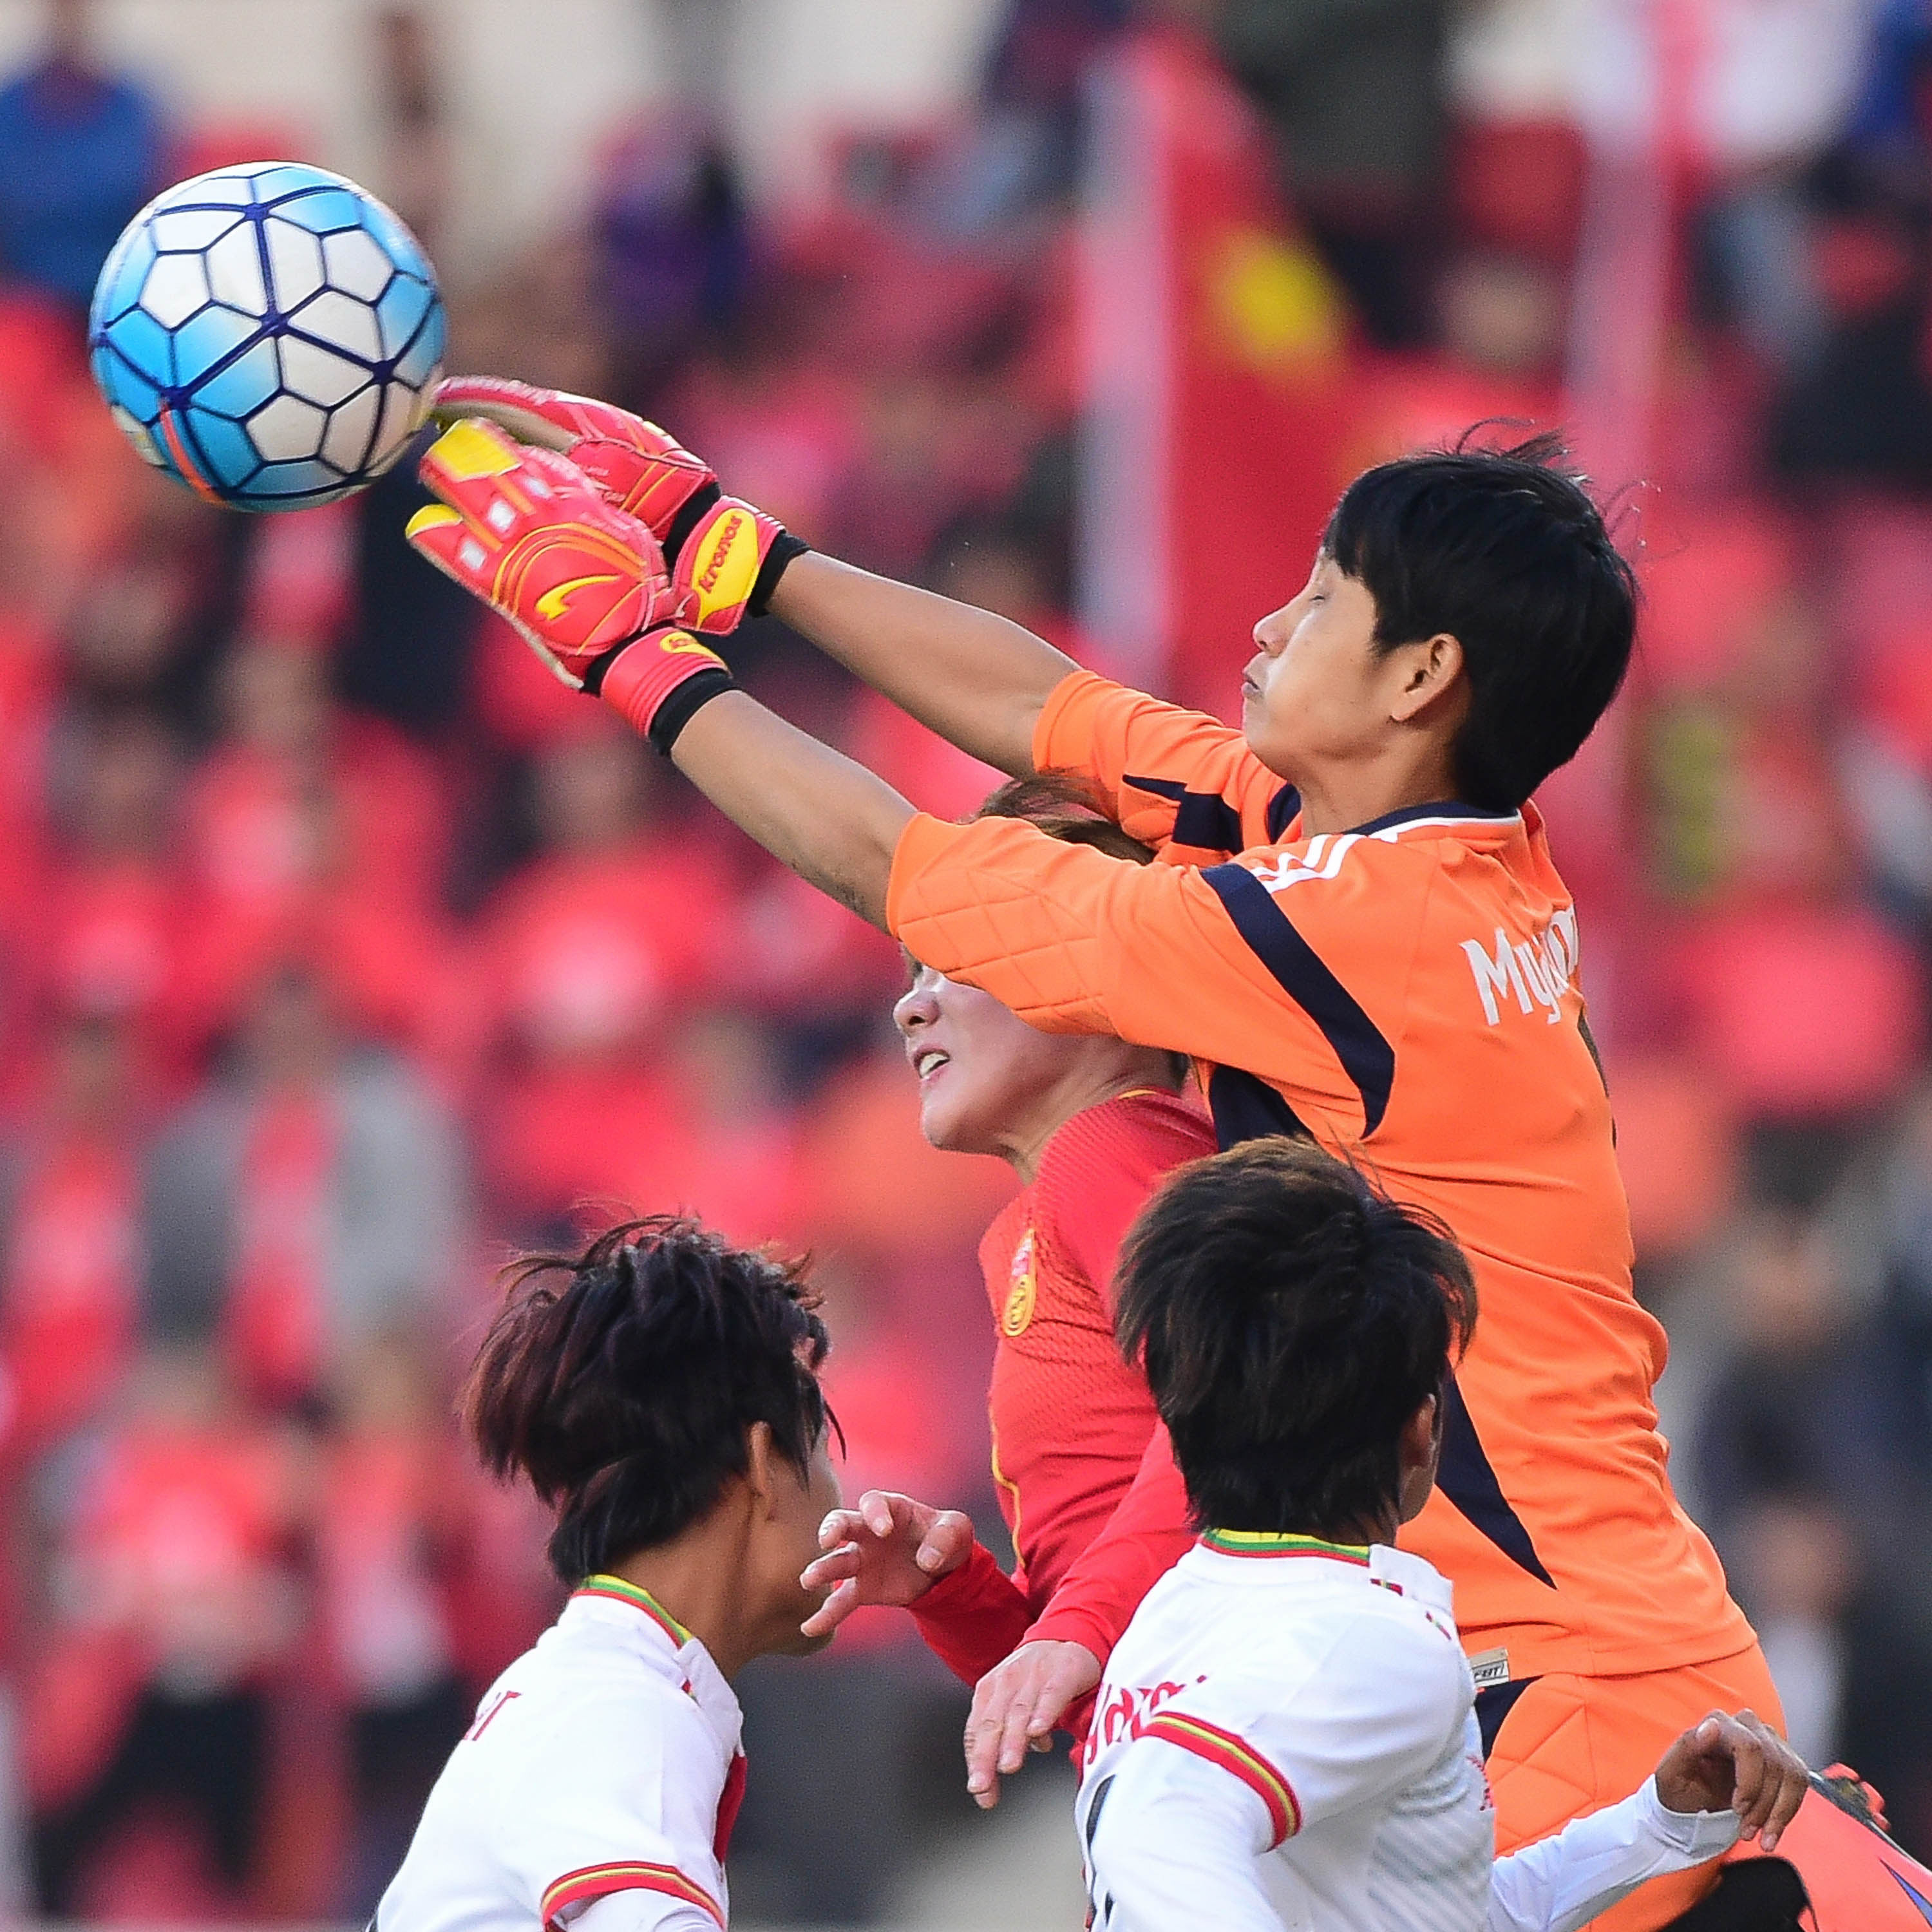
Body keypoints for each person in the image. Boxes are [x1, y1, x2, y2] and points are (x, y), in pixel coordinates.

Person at [401, 395, 1774, 1928]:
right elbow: (1058, 720)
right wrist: (727, 552)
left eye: (1320, 598)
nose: (1269, 619)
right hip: (1541, 1657)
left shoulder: (1333, 935)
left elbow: (897, 864)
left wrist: (631, 656)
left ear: (1420, 674)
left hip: (1535, 1682)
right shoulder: (1409, 858)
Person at [1077, 1136, 1810, 1932]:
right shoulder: (1377, 1644)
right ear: (1423, 1432)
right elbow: (1158, 1819)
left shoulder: (1167, 1624)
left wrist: (1656, 1824)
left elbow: (1445, 1914)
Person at [798, 773, 1212, 1710]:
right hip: (1163, 1730)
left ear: (1087, 971)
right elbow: (1062, 1687)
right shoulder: (1023, 1227)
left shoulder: (1114, 1151)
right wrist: (954, 1595)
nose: (912, 1007)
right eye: (911, 974)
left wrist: (1075, 1631)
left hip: (1225, 1719)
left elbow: (1236, 1412)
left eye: (957, 961)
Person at [372, 1217, 840, 1932]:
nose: (844, 1494)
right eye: (820, 1449)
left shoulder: (598, 1685)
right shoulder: (623, 1709)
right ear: (760, 1466)